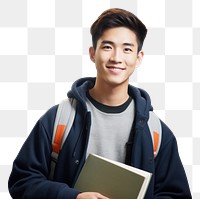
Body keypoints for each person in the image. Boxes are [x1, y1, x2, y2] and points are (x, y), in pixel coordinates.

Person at [8, 8, 192, 199]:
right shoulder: (58, 119)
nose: (116, 58)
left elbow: (176, 195)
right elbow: (22, 181)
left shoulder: (157, 132)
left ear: (138, 58)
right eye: (107, 47)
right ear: (92, 53)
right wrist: (73, 197)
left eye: (127, 49)